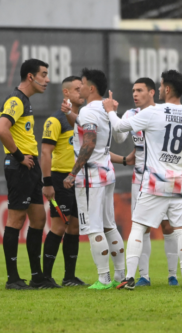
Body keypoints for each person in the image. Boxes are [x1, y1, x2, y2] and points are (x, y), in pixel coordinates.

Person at [105, 70, 182, 290]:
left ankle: (129, 277)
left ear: (165, 89)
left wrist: (110, 111)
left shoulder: (154, 112)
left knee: (138, 227)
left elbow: (118, 128)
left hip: (155, 180)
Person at [63, 68, 127, 290]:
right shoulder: (106, 109)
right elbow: (119, 136)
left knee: (93, 227)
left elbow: (89, 142)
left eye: (81, 85)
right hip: (107, 172)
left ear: (91, 88)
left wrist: (73, 172)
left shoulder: (90, 111)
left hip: (91, 175)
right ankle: (120, 275)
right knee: (109, 225)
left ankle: (103, 279)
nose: (78, 89)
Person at [113, 77, 179, 287]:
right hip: (139, 179)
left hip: (164, 177)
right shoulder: (130, 115)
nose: (135, 94)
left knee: (168, 226)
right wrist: (113, 115)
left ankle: (172, 275)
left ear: (152, 92)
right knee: (142, 226)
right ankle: (144, 276)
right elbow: (120, 138)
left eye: (140, 90)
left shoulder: (163, 112)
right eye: (133, 90)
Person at [0, 59, 54, 289]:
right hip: (19, 166)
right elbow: (2, 128)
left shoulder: (26, 101)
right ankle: (12, 278)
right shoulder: (16, 100)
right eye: (43, 74)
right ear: (30, 77)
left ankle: (37, 276)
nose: (47, 79)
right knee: (16, 220)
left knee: (39, 219)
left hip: (30, 168)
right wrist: (20, 156)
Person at [41, 76, 88, 287]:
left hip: (79, 179)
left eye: (83, 88)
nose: (82, 92)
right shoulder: (55, 120)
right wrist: (48, 182)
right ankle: (46, 277)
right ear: (66, 93)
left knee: (75, 227)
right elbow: (45, 152)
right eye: (77, 89)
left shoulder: (83, 120)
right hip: (61, 179)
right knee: (59, 226)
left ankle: (69, 277)